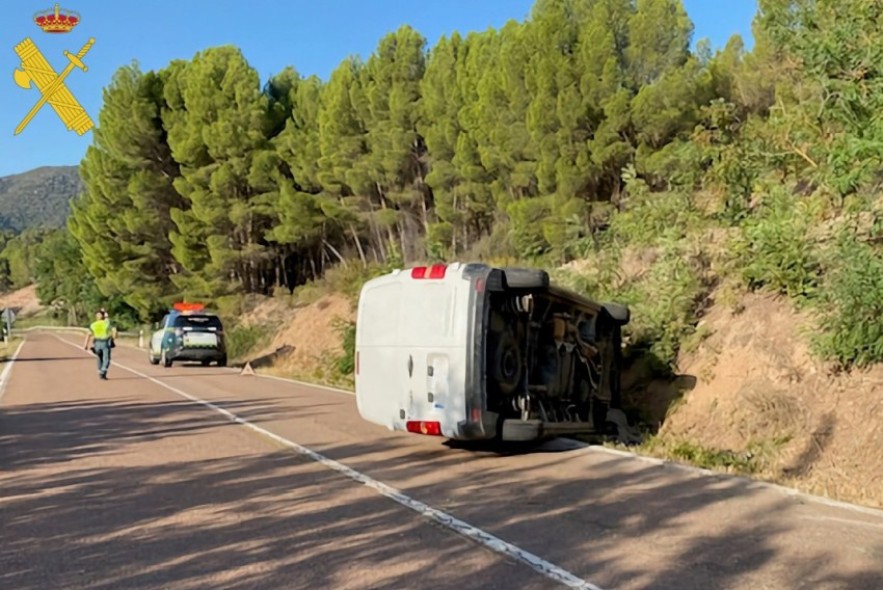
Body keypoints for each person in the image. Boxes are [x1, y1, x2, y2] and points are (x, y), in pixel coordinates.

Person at [84, 310, 113, 380]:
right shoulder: (106, 324)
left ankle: (100, 370)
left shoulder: (93, 325)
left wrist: (85, 344)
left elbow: (88, 334)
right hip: (105, 343)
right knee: (106, 358)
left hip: (96, 343)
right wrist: (112, 339)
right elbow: (113, 332)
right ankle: (103, 371)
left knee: (99, 357)